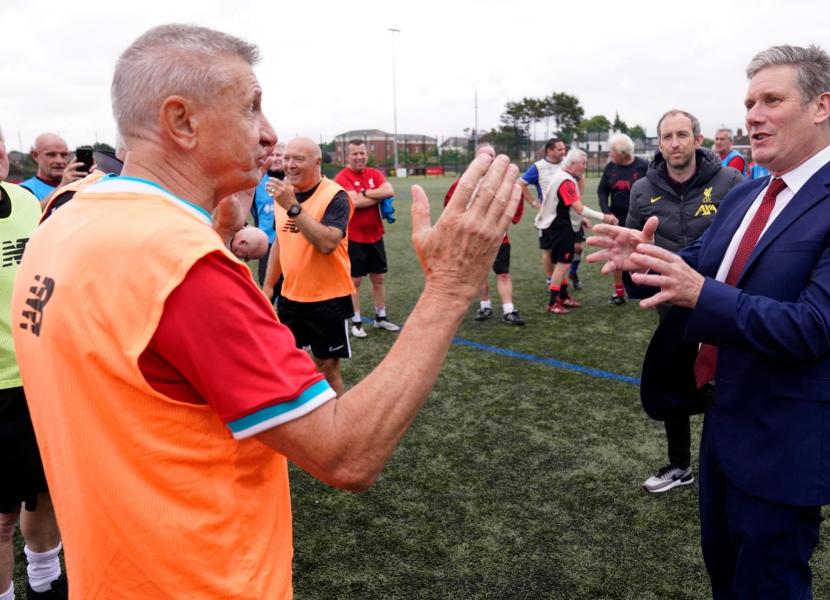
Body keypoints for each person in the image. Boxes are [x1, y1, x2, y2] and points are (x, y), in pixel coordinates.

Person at [11, 24, 522, 599]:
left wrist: (218, 225)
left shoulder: (63, 212)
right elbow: (345, 454)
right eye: (251, 107)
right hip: (202, 582)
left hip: (110, 575)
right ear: (181, 122)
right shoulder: (183, 267)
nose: (270, 132)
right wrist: (452, 286)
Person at [588, 44, 830, 598]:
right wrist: (643, 257)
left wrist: (699, 292)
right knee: (725, 579)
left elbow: (815, 326)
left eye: (771, 100)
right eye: (749, 101)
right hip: (724, 425)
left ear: (821, 105)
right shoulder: (748, 193)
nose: (752, 115)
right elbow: (701, 264)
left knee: (768, 586)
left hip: (786, 440)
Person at [624, 109, 743, 494]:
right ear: (659, 144)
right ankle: (680, 466)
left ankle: (726, 466)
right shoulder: (643, 189)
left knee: (725, 382)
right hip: (670, 304)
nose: (675, 143)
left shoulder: (730, 181)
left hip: (721, 301)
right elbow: (634, 243)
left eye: (682, 135)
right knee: (675, 383)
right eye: (667, 137)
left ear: (697, 138)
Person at [0, 125, 67, 600]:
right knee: (0, 517)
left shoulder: (26, 201)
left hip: (41, 379)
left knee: (47, 490)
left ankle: (45, 580)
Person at [261, 137, 355, 396]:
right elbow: (281, 241)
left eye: (298, 159)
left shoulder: (335, 196)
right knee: (290, 362)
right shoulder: (283, 194)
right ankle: (305, 413)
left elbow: (327, 243)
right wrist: (269, 287)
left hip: (328, 298)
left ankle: (337, 423)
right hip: (291, 297)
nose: (289, 165)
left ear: (317, 162)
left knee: (326, 366)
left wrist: (293, 206)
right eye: (287, 158)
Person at [444, 143, 525, 325]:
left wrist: (510, 219)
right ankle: (485, 306)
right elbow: (450, 203)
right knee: (479, 274)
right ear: (476, 159)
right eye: (484, 156)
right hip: (473, 238)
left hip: (498, 237)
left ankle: (509, 310)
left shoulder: (503, 182)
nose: (488, 160)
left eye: (491, 156)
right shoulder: (464, 182)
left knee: (503, 273)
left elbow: (516, 200)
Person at [537, 148, 616, 313]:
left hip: (559, 226)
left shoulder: (562, 176)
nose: (585, 166)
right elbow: (579, 208)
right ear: (572, 163)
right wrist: (604, 217)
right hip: (560, 228)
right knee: (562, 264)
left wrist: (582, 220)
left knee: (565, 263)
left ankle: (564, 297)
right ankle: (553, 303)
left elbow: (568, 206)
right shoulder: (566, 181)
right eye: (583, 163)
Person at [333, 140, 399, 338]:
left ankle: (381, 317)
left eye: (362, 153)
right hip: (353, 237)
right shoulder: (342, 177)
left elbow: (389, 190)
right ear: (348, 156)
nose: (359, 157)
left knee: (378, 278)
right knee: (355, 281)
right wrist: (374, 196)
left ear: (367, 155)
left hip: (375, 234)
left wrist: (365, 194)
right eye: (355, 154)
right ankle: (357, 321)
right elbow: (353, 202)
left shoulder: (374, 173)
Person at [522, 138, 586, 289]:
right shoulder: (538, 167)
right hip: (549, 218)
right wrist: (534, 203)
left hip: (570, 214)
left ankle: (573, 272)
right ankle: (552, 279)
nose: (563, 152)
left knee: (578, 247)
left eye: (564, 149)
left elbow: (581, 178)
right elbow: (521, 184)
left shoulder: (568, 163)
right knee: (549, 250)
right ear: (549, 151)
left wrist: (577, 198)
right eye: (559, 149)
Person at [597, 133, 648, 305]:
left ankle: (647, 289)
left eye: (612, 150)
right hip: (617, 221)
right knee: (616, 255)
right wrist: (607, 212)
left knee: (643, 256)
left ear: (623, 152)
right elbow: (602, 191)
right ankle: (619, 293)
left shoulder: (644, 167)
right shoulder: (610, 167)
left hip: (640, 221)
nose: (609, 153)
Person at [19, 134, 88, 203]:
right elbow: (32, 212)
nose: (59, 161)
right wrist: (62, 186)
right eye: (51, 155)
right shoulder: (24, 190)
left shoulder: (79, 185)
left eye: (64, 155)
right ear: (35, 155)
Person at [251, 142, 284, 283]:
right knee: (267, 287)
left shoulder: (294, 181)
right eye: (272, 155)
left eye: (279, 155)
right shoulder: (256, 182)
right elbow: (250, 210)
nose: (275, 158)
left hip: (291, 242)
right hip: (267, 243)